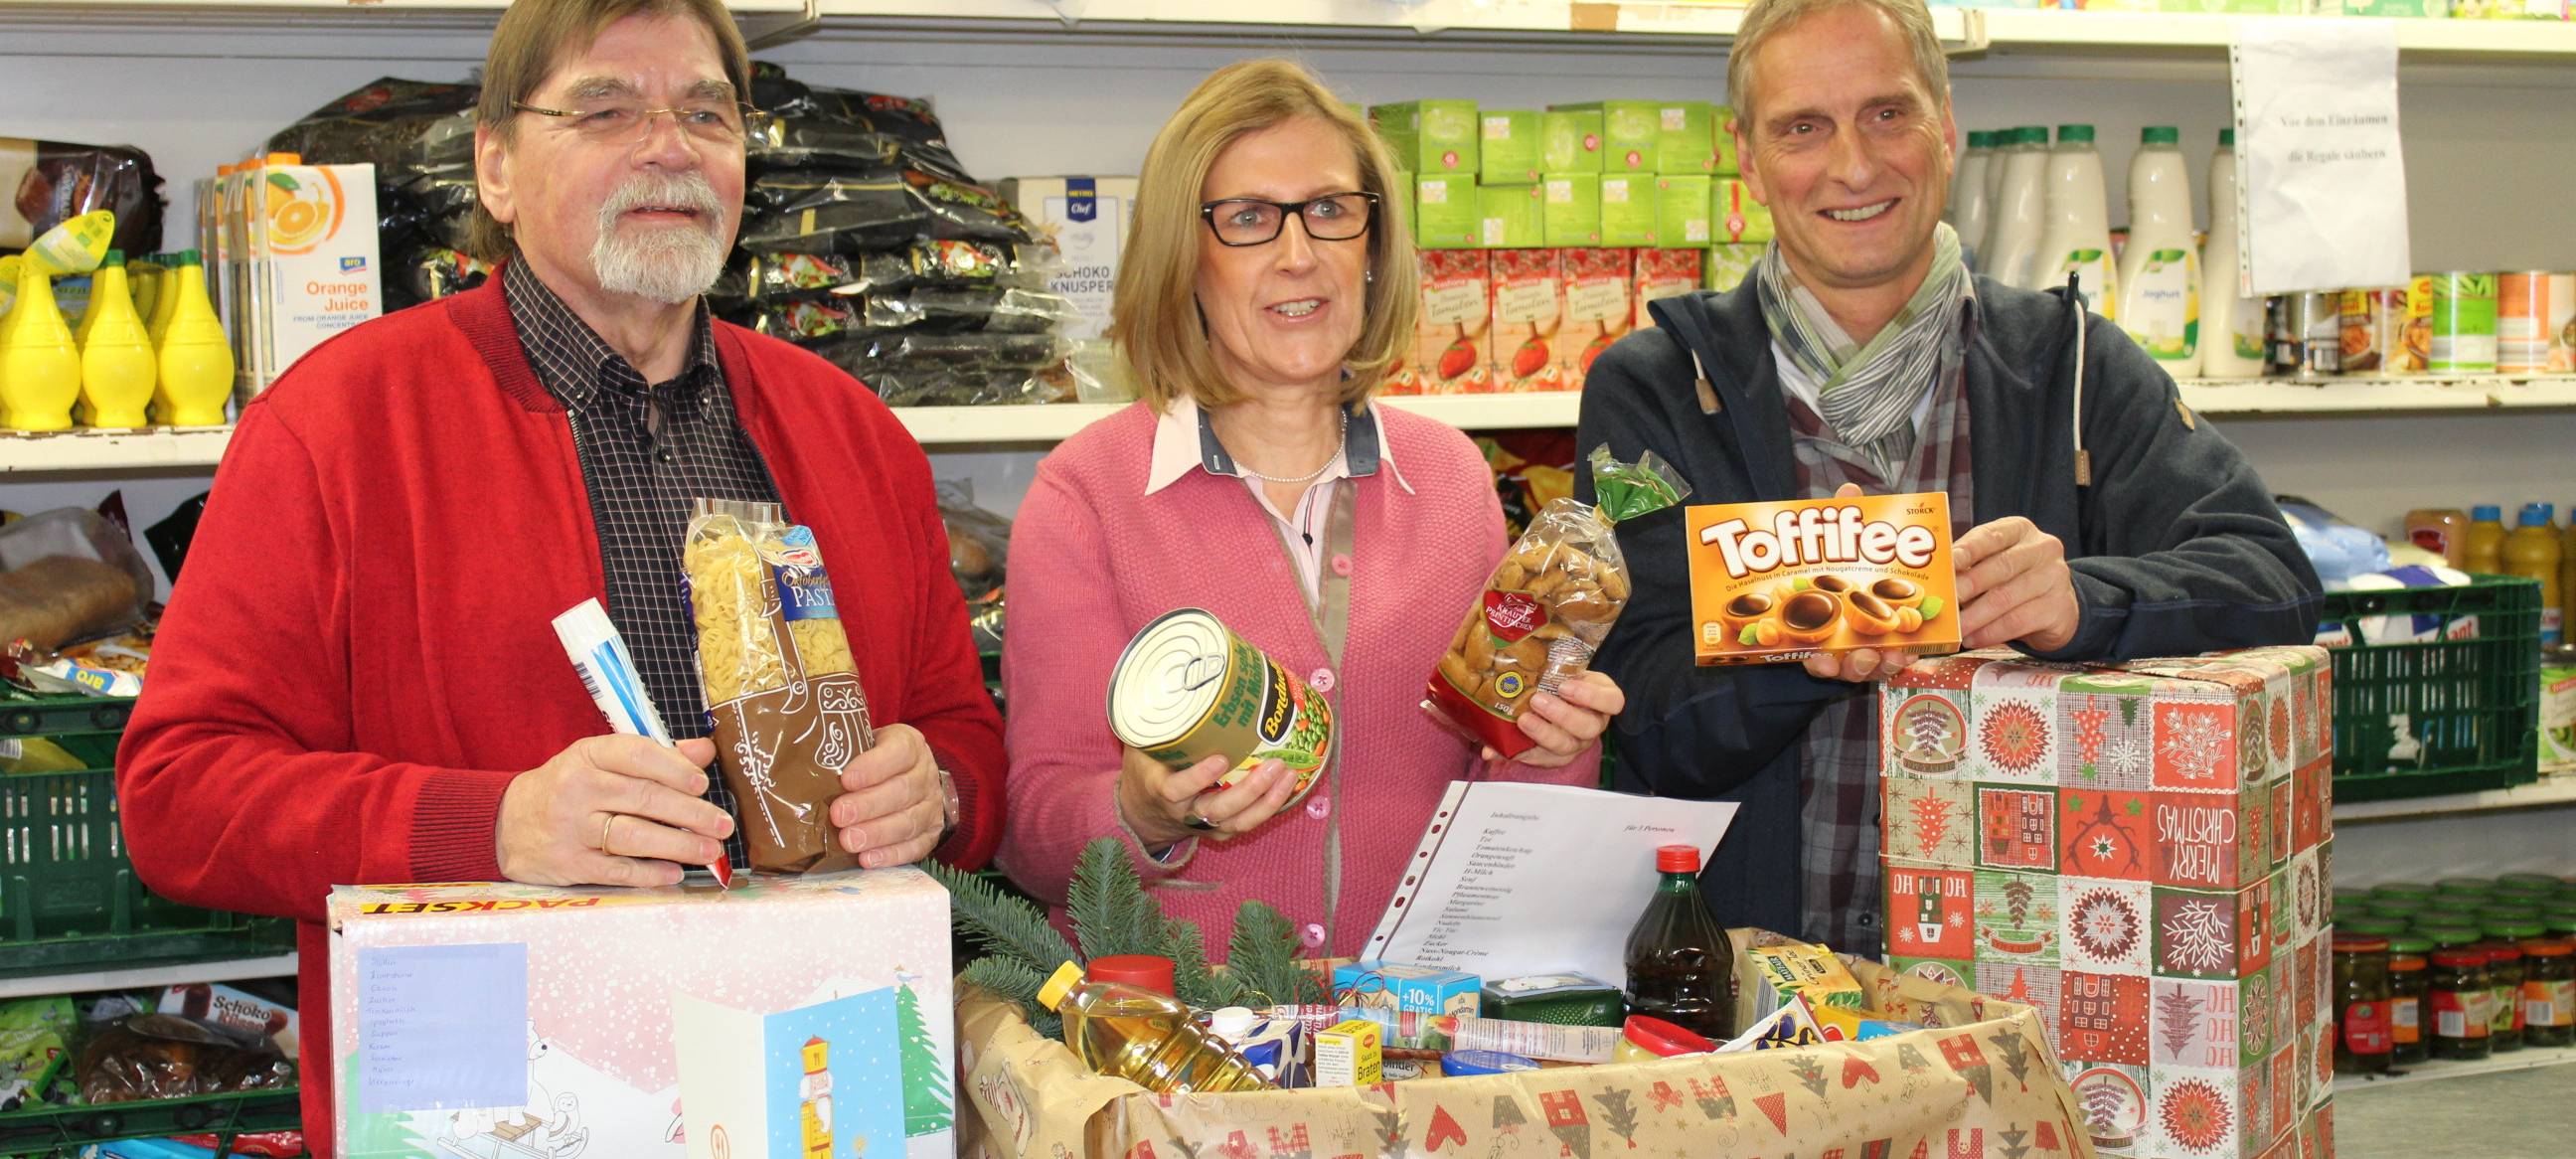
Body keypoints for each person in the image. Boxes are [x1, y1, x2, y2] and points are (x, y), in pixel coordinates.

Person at [113, 0, 1004, 1147]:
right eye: (604, 109)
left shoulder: (851, 433)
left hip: (814, 1082)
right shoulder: (336, 427)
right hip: (493, 1099)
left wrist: (937, 793)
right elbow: (179, 797)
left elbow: (964, 739)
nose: (669, 146)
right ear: (495, 166)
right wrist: (492, 827)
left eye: (705, 112)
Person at [1576, 0, 2321, 950]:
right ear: (1751, 162)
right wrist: (1805, 647)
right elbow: (1637, 707)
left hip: (2027, 973)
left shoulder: (2073, 365)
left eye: (1888, 114)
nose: (1853, 164)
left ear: (1947, 125)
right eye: (1804, 127)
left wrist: (2077, 604)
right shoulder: (1658, 387)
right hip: (1752, 984)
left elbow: (2275, 582)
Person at [998, 60, 1624, 957]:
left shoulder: (1449, 479)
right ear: (1186, 257)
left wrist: (1549, 749)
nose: (1301, 254)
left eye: (1331, 210)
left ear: (1373, 244)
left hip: (1415, 1039)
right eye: (1249, 219)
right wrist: (1141, 810)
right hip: (1183, 1047)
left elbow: (1499, 817)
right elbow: (1029, 836)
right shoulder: (1088, 495)